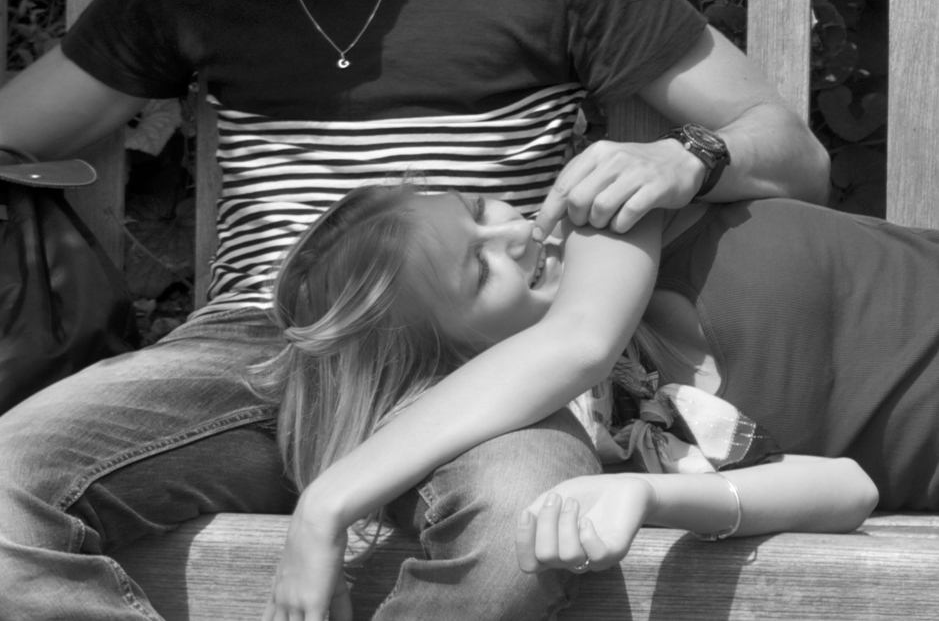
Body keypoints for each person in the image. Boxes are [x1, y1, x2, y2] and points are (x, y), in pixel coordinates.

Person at [0, 0, 829, 620]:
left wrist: (683, 159)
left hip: (479, 362)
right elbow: (21, 123)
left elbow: (789, 151)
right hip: (263, 356)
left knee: (521, 522)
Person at [268, 179, 939, 582]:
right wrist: (645, 494)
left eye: (480, 207)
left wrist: (325, 507)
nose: (514, 232)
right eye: (478, 268)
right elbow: (849, 488)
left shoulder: (609, 216)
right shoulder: (615, 426)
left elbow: (578, 342)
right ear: (458, 358)